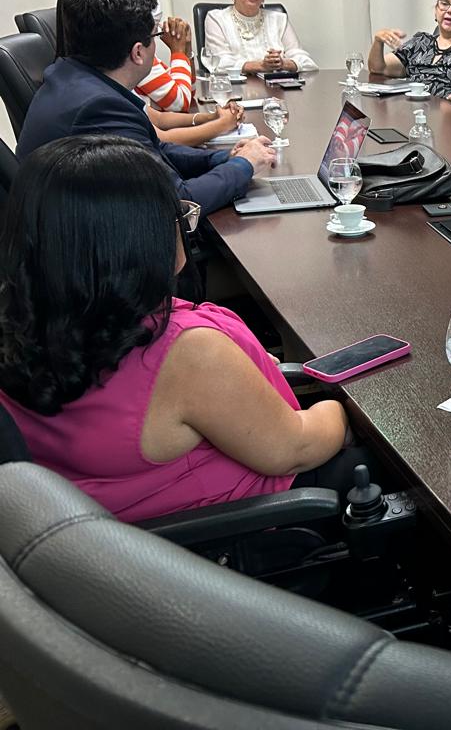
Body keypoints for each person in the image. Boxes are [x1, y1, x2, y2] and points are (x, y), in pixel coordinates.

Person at [0, 136, 350, 521]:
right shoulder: (183, 353)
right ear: (142, 241)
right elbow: (296, 448)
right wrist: (344, 411)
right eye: (176, 217)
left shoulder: (23, 321)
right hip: (236, 536)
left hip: (103, 540)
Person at [17, 0, 275, 212]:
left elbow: (154, 148)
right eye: (156, 35)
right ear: (138, 52)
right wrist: (245, 165)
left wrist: (223, 157)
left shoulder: (71, 75)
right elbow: (177, 202)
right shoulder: (99, 107)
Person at [89, 0, 243, 147]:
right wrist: (220, 124)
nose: (154, 3)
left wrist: (210, 117)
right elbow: (179, 105)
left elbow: (165, 112)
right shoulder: (126, 54)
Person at [204, 0, 318, 74]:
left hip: (278, 89)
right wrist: (260, 66)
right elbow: (219, 63)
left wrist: (283, 63)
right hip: (235, 90)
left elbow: (306, 62)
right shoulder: (216, 19)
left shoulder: (279, 20)